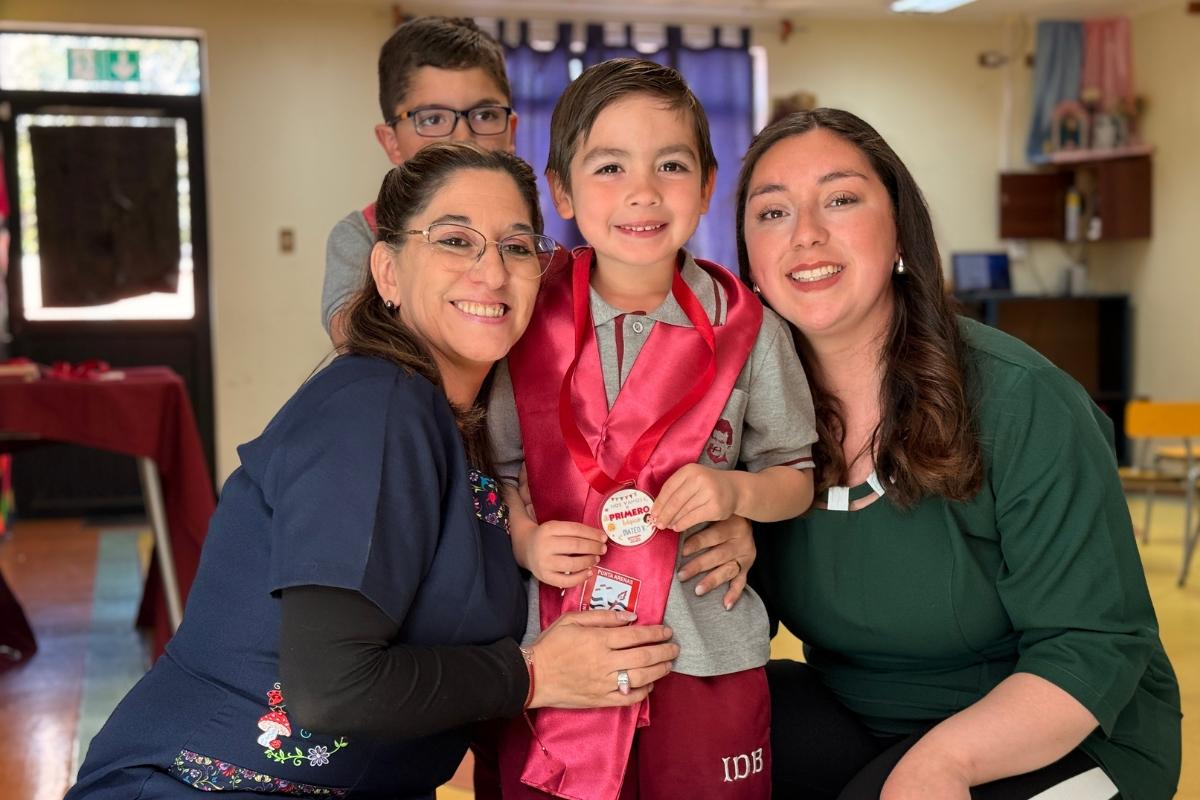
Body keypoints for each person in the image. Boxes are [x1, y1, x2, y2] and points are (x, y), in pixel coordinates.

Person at [65, 143, 685, 800]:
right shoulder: (375, 405)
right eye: (454, 240)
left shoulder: (468, 430)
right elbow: (330, 689)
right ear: (387, 272)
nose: (492, 271)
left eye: (516, 246)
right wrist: (533, 674)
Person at [737, 108, 1181, 799]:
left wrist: (943, 764)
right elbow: (734, 614)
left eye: (842, 199)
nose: (806, 235)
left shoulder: (1022, 400)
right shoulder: (749, 418)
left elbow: (1092, 647)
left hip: (1065, 729)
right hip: (861, 715)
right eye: (772, 213)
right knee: (703, 738)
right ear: (750, 263)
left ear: (900, 237)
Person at [490, 59, 817, 800]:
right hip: (559, 649)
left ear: (706, 186)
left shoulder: (748, 325)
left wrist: (737, 494)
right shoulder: (524, 319)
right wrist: (525, 539)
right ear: (561, 190)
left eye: (670, 165)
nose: (642, 191)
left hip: (704, 651)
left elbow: (796, 478)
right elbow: (497, 474)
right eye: (609, 167)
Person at [322, 16, 517, 346]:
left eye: (484, 115)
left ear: (511, 131)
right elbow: (355, 337)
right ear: (391, 142)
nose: (462, 138)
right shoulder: (361, 236)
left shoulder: (532, 244)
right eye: (432, 119)